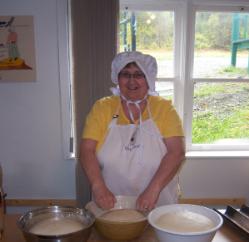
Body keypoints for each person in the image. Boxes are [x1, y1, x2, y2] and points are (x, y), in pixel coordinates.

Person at [80, 51, 185, 212]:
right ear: (117, 77)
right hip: (111, 204)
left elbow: (177, 153)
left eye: (139, 75)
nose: (131, 81)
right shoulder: (103, 108)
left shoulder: (163, 109)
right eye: (125, 74)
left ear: (148, 78)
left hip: (158, 202)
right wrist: (98, 186)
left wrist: (153, 190)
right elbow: (87, 150)